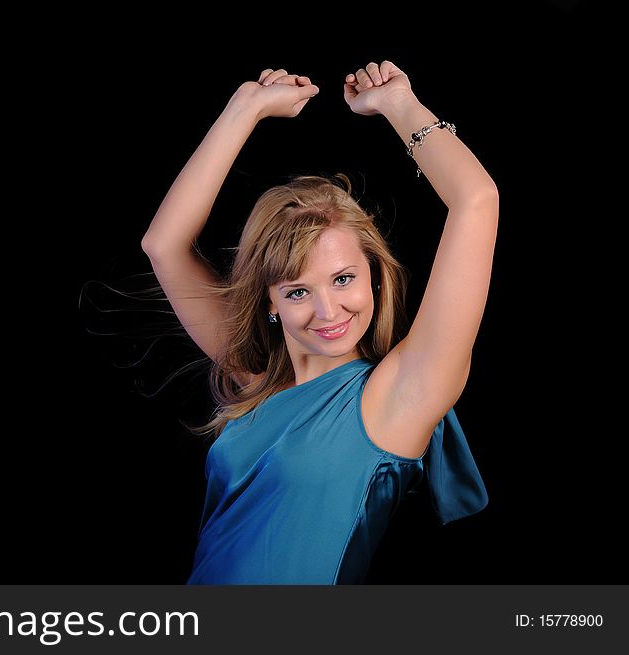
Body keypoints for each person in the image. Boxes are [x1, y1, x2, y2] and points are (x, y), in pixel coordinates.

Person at [141, 61, 497, 584]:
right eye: (298, 291)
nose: (328, 312)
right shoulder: (255, 380)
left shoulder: (402, 394)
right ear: (271, 302)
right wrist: (246, 107)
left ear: (374, 276)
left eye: (343, 279)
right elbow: (162, 245)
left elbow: (476, 199)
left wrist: (401, 105)